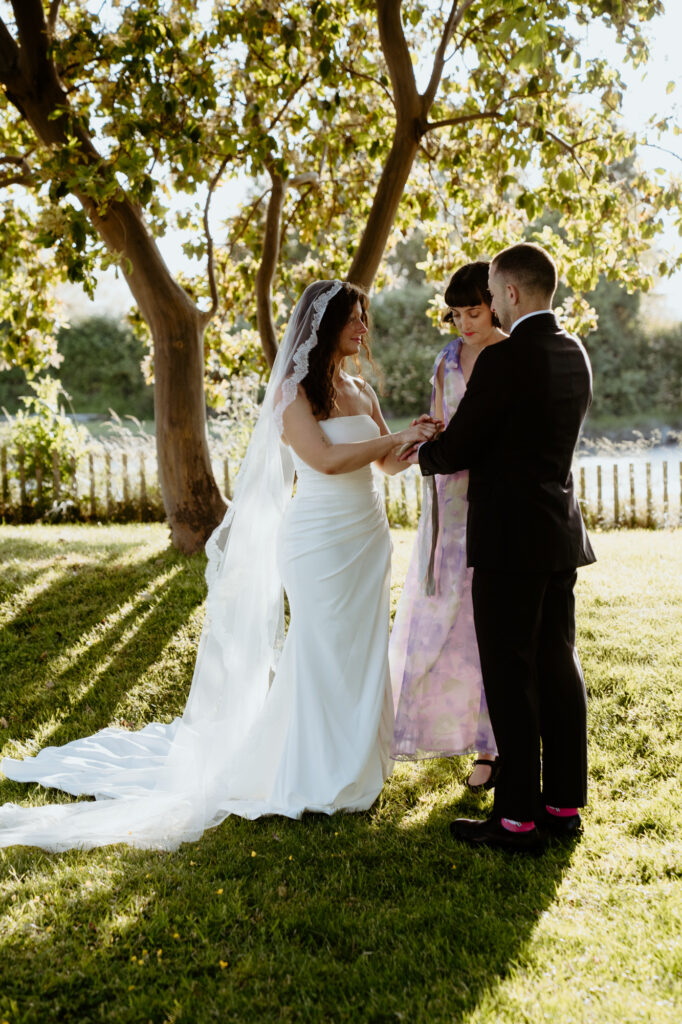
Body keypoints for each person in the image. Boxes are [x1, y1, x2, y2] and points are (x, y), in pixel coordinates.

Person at [0, 280, 436, 851]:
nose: (364, 329)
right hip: (318, 541)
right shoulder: (292, 393)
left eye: (364, 319)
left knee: (359, 646)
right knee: (321, 647)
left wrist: (416, 442)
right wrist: (398, 436)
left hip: (367, 538)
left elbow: (381, 463)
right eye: (354, 319)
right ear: (326, 326)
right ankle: (312, 768)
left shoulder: (359, 389)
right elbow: (325, 460)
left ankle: (358, 763)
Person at [402, 242, 596, 853]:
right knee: (557, 666)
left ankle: (515, 820)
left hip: (508, 541)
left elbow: (462, 446)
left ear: (510, 293)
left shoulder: (507, 360)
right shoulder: (575, 353)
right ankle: (562, 805)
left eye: (491, 286)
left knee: (511, 677)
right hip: (558, 535)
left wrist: (422, 454)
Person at [389, 262, 503, 789]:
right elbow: (441, 419)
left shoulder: (510, 354)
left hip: (497, 499)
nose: (464, 323)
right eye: (456, 314)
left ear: (496, 302)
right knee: (443, 615)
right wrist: (429, 431)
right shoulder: (448, 359)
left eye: (473, 311)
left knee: (489, 622)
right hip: (448, 500)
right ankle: (440, 729)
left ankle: (491, 745)